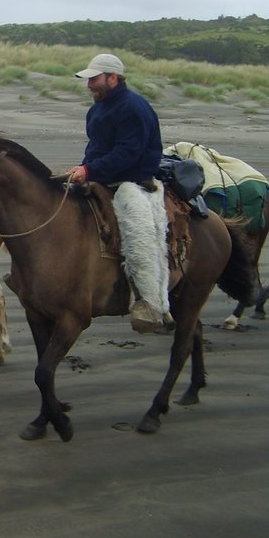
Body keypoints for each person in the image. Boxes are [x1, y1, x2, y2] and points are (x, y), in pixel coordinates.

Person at [66, 53, 172, 334]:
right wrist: (84, 168)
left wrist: (90, 171)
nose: (89, 85)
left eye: (94, 79)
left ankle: (150, 303)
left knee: (139, 234)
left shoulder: (133, 108)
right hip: (102, 177)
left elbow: (127, 153)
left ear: (113, 78)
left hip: (131, 181)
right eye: (88, 79)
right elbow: (96, 148)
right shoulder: (97, 109)